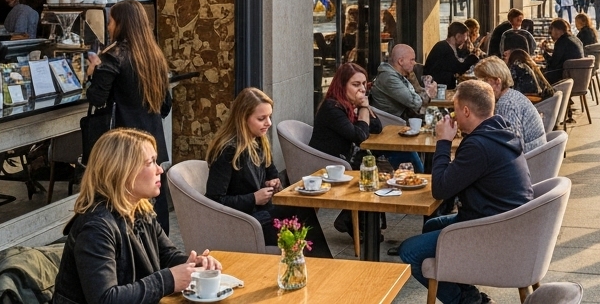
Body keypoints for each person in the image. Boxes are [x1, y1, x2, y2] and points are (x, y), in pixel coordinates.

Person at [399, 80, 533, 304]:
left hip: (493, 232)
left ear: (466, 111)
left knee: (409, 252)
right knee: (431, 225)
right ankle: (467, 292)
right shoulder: (500, 130)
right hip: (511, 224)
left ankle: (466, 301)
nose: (453, 115)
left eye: (455, 109)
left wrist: (443, 141)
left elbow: (440, 189)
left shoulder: (479, 145)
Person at [52, 129, 220, 304]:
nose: (159, 170)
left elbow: (166, 255)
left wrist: (193, 265)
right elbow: (105, 299)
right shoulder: (96, 228)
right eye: (151, 162)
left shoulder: (140, 210)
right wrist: (168, 280)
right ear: (123, 171)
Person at [205, 88, 331, 257]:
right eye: (261, 118)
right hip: (244, 221)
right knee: (300, 226)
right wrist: (253, 198)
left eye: (269, 116)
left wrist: (273, 181)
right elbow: (214, 200)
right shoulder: (227, 151)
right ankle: (320, 264)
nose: (269, 123)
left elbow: (272, 172)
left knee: (304, 210)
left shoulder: (258, 141)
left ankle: (320, 264)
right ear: (243, 118)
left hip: (262, 212)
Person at [86, 0, 175, 231]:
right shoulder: (155, 56)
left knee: (124, 197)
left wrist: (92, 72)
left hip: (124, 142)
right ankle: (158, 243)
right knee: (154, 196)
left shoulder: (113, 56)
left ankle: (129, 244)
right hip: (152, 140)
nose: (108, 27)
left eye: (110, 21)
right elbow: (165, 106)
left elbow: (97, 98)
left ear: (121, 23)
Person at [310, 62, 385, 237]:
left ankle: (351, 220)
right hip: (326, 164)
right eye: (356, 84)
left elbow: (376, 127)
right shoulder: (332, 107)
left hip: (344, 159)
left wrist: (363, 107)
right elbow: (360, 135)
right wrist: (364, 108)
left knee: (375, 172)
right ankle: (353, 221)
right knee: (370, 174)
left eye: (364, 84)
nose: (362, 89)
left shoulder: (350, 105)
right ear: (342, 86)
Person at [472, 56, 547, 152]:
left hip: (530, 157)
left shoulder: (507, 105)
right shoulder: (511, 95)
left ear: (497, 82)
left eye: (485, 81)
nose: (480, 86)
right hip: (536, 152)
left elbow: (512, 146)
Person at [372, 43, 433, 120]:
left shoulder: (400, 74)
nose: (414, 63)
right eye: (412, 60)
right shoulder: (389, 78)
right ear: (401, 61)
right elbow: (415, 103)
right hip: (392, 122)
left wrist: (414, 80)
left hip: (403, 119)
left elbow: (418, 95)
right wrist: (428, 93)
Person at [423, 21, 481, 89]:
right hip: (437, 86)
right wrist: (474, 57)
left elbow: (460, 58)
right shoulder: (443, 47)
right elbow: (459, 68)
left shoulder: (451, 47)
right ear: (458, 36)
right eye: (464, 38)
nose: (464, 41)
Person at [542, 18, 583, 84]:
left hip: (564, 77)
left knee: (539, 73)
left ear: (556, 30)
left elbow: (553, 64)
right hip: (578, 75)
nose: (551, 34)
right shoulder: (574, 38)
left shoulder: (561, 42)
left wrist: (544, 53)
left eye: (551, 31)